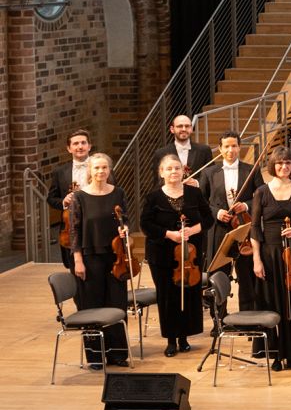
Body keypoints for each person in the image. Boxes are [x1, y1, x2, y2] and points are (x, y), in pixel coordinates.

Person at [249, 151, 291, 370]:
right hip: (270, 255)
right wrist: (256, 259)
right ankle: (276, 355)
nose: (284, 167)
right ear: (272, 165)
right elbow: (254, 227)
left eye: (287, 163)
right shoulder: (261, 192)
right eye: (279, 163)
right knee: (274, 303)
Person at [139, 153, 212, 357]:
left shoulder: (194, 193)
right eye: (169, 169)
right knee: (168, 297)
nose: (174, 172)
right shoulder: (153, 197)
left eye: (177, 168)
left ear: (183, 171)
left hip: (190, 254)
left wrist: (193, 230)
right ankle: (171, 340)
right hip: (161, 255)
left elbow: (208, 219)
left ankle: (184, 337)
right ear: (161, 172)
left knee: (189, 295)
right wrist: (169, 234)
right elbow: (145, 225)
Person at [66, 152, 131, 367]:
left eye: (104, 167)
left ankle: (118, 354)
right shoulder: (79, 197)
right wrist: (77, 260)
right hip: (89, 256)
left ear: (109, 170)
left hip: (116, 257)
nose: (101, 171)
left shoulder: (118, 193)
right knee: (91, 305)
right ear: (89, 171)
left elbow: (126, 220)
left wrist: (125, 230)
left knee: (117, 304)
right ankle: (95, 356)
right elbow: (74, 231)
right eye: (96, 168)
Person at [205, 133, 259, 310]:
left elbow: (261, 198)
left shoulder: (252, 170)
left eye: (234, 146)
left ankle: (248, 315)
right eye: (226, 146)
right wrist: (217, 212)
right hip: (219, 230)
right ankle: (219, 319)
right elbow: (201, 203)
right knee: (219, 273)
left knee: (246, 274)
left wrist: (245, 205)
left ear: (239, 147)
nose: (230, 150)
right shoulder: (210, 172)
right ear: (220, 149)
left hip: (244, 229)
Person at [48, 129, 95, 268]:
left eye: (83, 143)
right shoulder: (60, 172)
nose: (80, 146)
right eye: (75, 144)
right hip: (70, 226)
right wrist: (63, 201)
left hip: (94, 223)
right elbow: (51, 198)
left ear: (89, 146)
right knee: (73, 267)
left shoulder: (100, 168)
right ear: (69, 148)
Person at [150, 114, 214, 192]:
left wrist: (197, 183)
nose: (184, 129)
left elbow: (211, 177)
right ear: (172, 129)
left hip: (196, 199)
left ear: (191, 129)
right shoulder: (161, 153)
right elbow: (157, 182)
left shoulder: (204, 150)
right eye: (180, 126)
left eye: (187, 126)